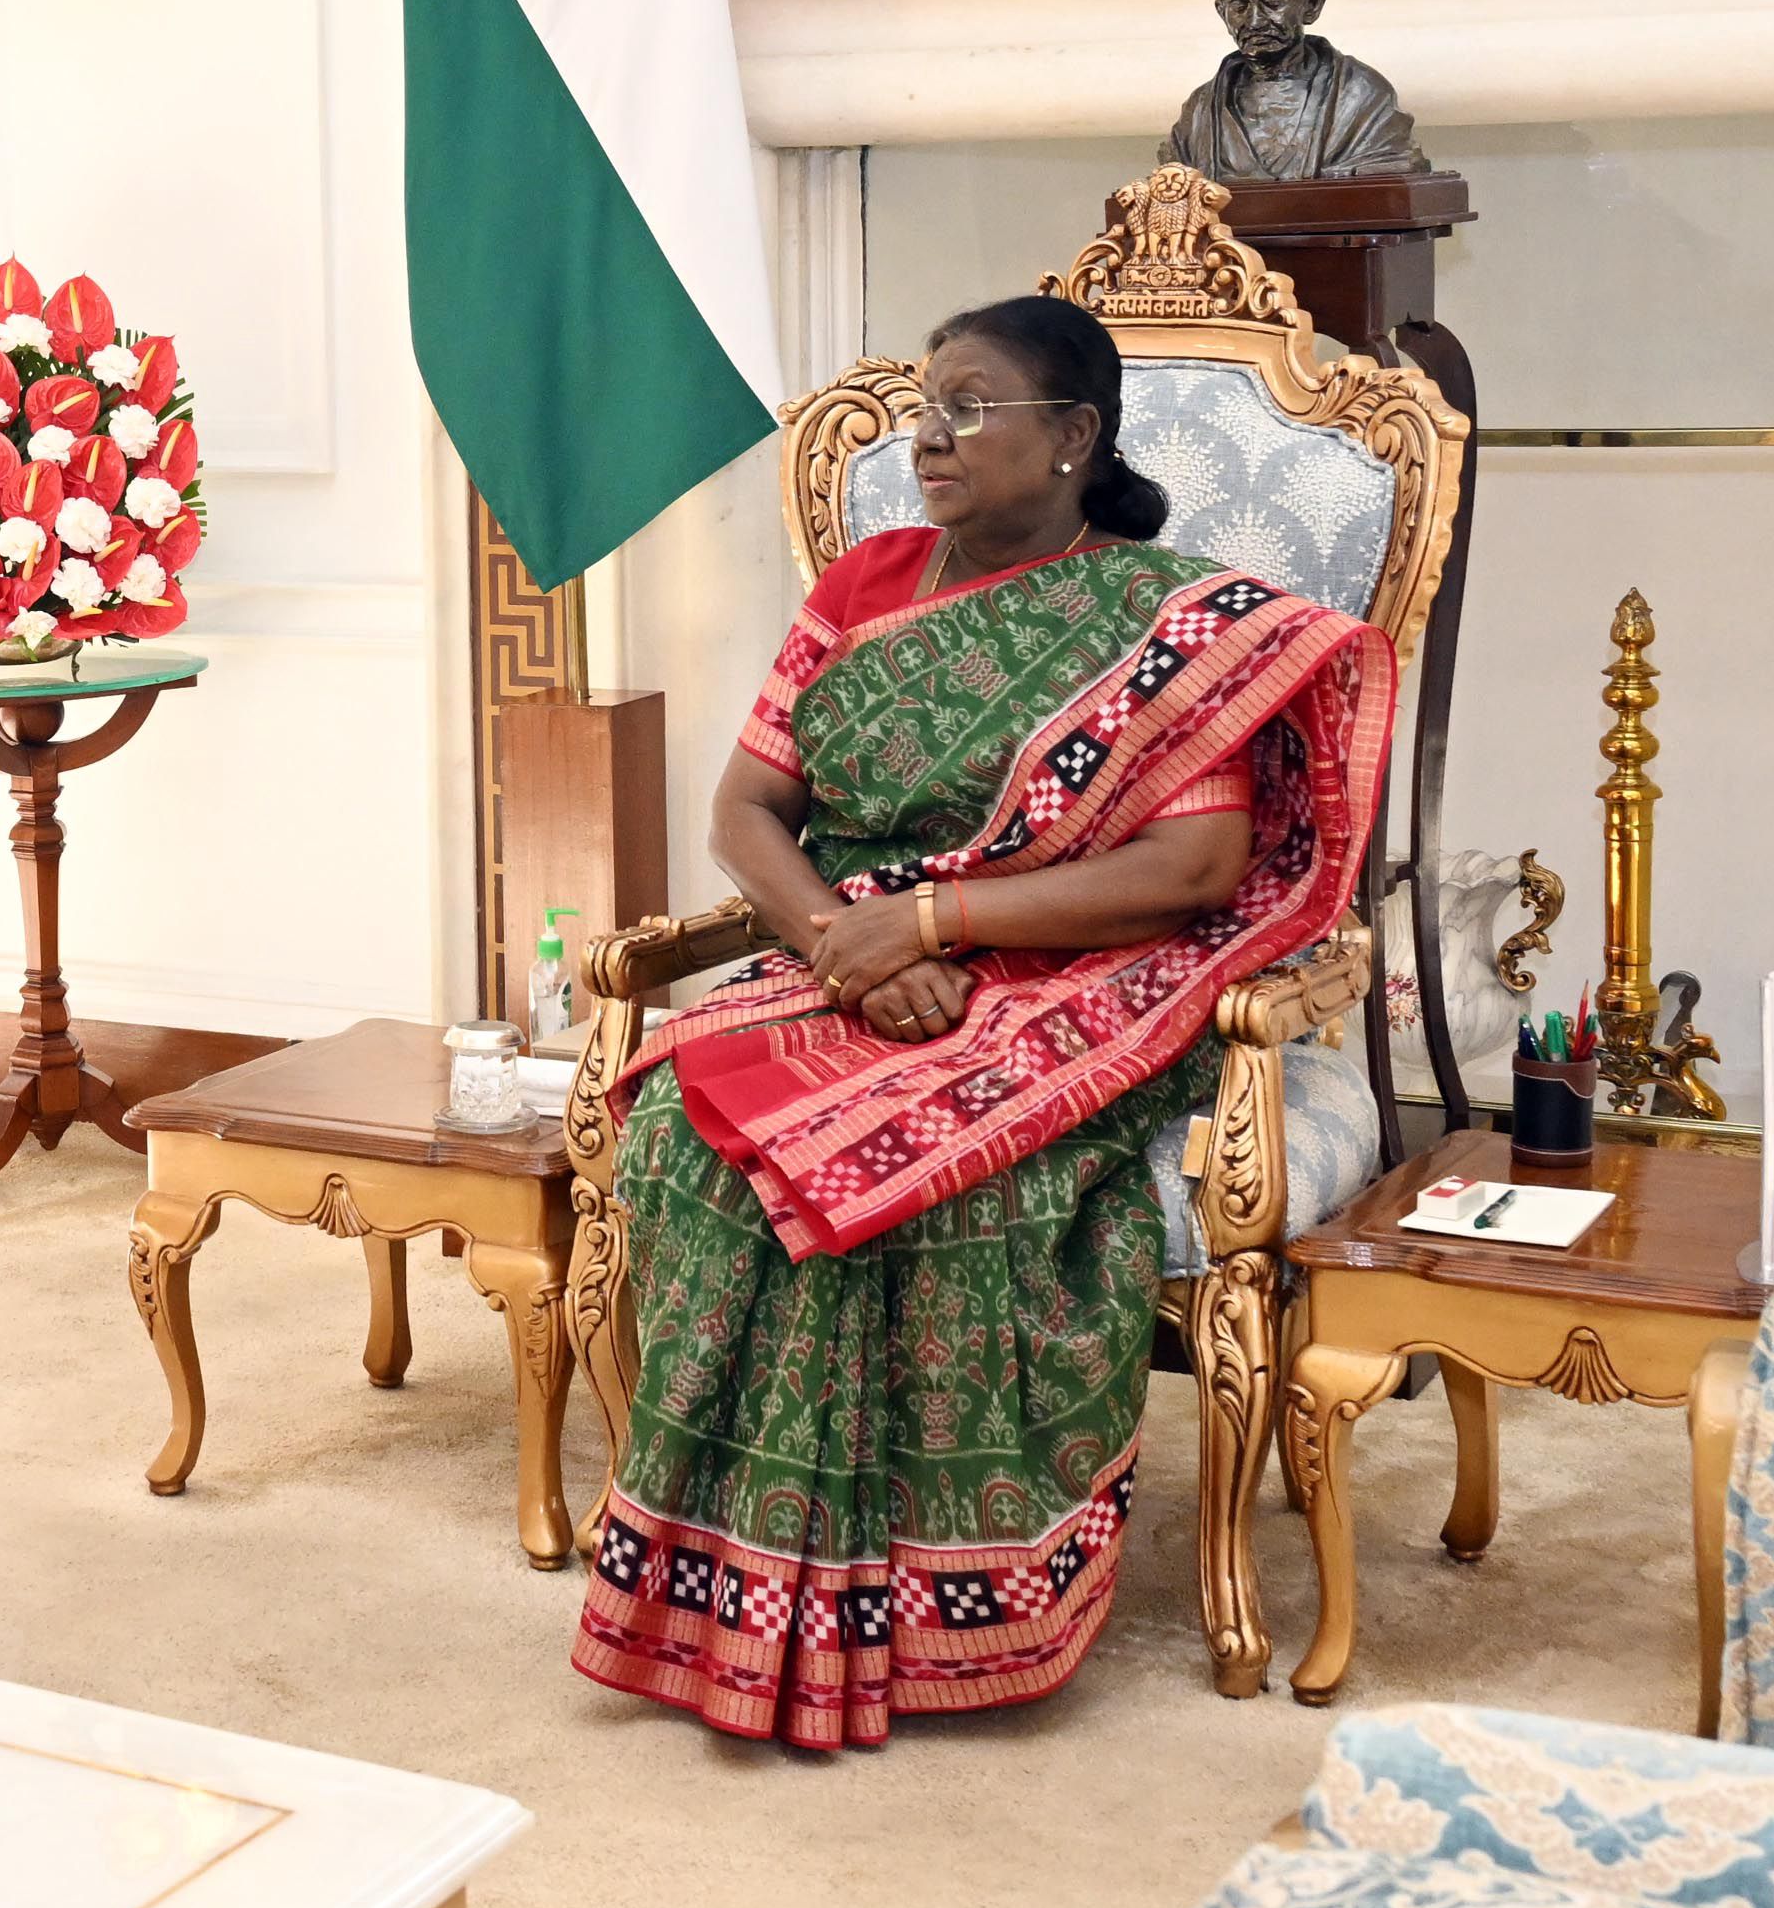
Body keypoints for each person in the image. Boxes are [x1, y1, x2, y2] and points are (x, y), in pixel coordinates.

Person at [572, 298, 1392, 1751]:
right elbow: (745, 812)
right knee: (699, 1138)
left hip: (1078, 979)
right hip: (845, 951)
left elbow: (1194, 869)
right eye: (922, 410)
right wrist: (848, 946)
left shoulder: (1166, 626)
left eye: (969, 407)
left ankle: (926, 1608)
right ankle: (741, 1595)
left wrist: (941, 922)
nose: (929, 439)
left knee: (920, 1175)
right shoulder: (865, 583)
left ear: (1074, 435)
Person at [1157, 0, 1426, 184]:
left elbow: (1390, 172)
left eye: (1272, 3)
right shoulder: (1199, 113)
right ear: (1222, 12)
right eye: (1239, 6)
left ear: (1312, 4)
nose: (1255, 21)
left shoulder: (1362, 97)